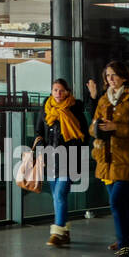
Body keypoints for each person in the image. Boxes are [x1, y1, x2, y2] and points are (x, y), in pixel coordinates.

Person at [88, 60, 129, 257]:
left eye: (113, 75)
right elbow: (91, 127)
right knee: (121, 204)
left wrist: (117, 127)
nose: (110, 79)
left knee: (116, 202)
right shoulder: (104, 100)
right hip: (105, 160)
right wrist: (97, 128)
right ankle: (128, 239)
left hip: (126, 160)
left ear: (124, 77)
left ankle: (125, 252)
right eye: (107, 76)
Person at [34, 78, 91, 246]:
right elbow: (38, 132)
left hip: (70, 159)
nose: (58, 93)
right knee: (56, 196)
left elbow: (84, 135)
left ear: (67, 92)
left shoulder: (74, 109)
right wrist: (41, 151)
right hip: (50, 159)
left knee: (59, 194)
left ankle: (57, 232)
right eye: (55, 90)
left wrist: (74, 148)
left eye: (61, 90)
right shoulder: (46, 109)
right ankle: (65, 233)